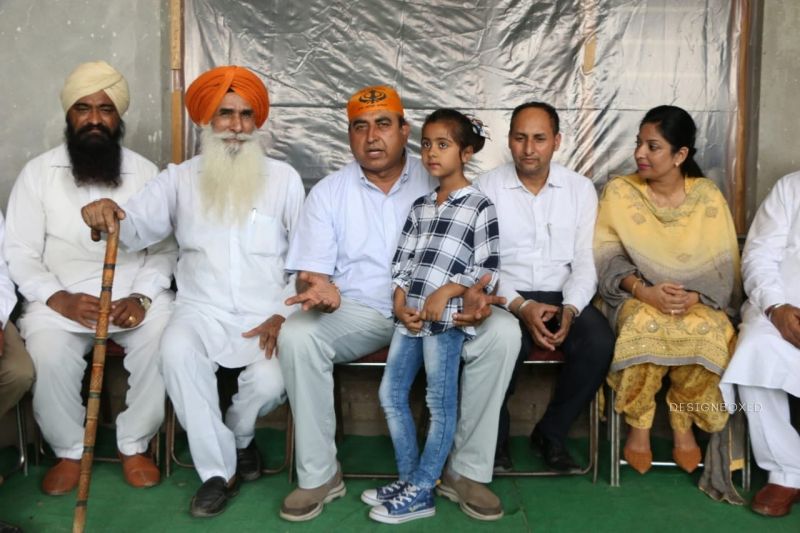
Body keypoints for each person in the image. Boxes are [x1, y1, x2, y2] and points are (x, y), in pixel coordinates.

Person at [278, 85, 520, 522]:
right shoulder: (330, 192)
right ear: (349, 135)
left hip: (440, 312)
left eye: (384, 125)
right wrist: (320, 288)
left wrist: (475, 296)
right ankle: (319, 474)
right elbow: (310, 272)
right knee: (297, 334)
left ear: (404, 130)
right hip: (362, 311)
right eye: (360, 127)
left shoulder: (440, 177)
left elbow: (484, 258)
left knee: (503, 331)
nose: (372, 137)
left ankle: (465, 471)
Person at [80, 65, 304, 517]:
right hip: (200, 309)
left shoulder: (285, 180)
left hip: (266, 312)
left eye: (245, 115)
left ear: (257, 121)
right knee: (176, 352)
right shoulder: (178, 179)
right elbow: (135, 226)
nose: (236, 127)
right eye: (225, 114)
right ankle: (217, 473)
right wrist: (107, 212)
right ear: (206, 119)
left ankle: (239, 438)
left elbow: (305, 261)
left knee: (271, 381)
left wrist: (283, 314)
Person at [4, 60, 176, 495]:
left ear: (119, 118)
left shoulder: (147, 175)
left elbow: (165, 251)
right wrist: (57, 297)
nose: (95, 119)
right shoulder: (37, 174)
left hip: (131, 299)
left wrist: (140, 297)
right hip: (60, 302)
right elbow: (20, 254)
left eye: (106, 109)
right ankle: (68, 450)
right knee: (46, 349)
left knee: (165, 339)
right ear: (69, 115)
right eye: (84, 108)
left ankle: (134, 443)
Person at [361, 109, 499, 524]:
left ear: (467, 152)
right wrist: (400, 300)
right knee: (391, 394)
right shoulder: (421, 205)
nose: (431, 153)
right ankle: (411, 480)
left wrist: (448, 290)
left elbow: (487, 269)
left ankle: (423, 490)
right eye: (427, 144)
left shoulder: (480, 206)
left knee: (439, 404)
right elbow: (402, 260)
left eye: (443, 145)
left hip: (445, 322)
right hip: (412, 319)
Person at [594, 105, 741, 475]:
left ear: (680, 155)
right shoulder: (620, 192)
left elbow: (724, 264)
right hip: (634, 295)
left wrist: (695, 296)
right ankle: (639, 424)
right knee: (643, 326)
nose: (640, 153)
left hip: (697, 299)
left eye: (653, 146)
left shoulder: (706, 196)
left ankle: (682, 418)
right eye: (638, 143)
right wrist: (644, 291)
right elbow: (607, 255)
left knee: (713, 331)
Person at [477, 102, 614, 473]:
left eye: (539, 139)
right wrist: (521, 306)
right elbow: (483, 264)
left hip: (562, 294)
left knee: (598, 342)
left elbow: (585, 261)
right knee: (502, 345)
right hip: (504, 298)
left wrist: (570, 309)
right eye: (520, 138)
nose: (528, 148)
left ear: (557, 141)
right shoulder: (486, 188)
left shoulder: (579, 189)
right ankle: (495, 439)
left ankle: (551, 433)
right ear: (509, 140)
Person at [720, 171, 800, 517]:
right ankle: (786, 471)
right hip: (783, 307)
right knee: (754, 347)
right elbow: (758, 255)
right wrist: (776, 307)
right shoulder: (791, 187)